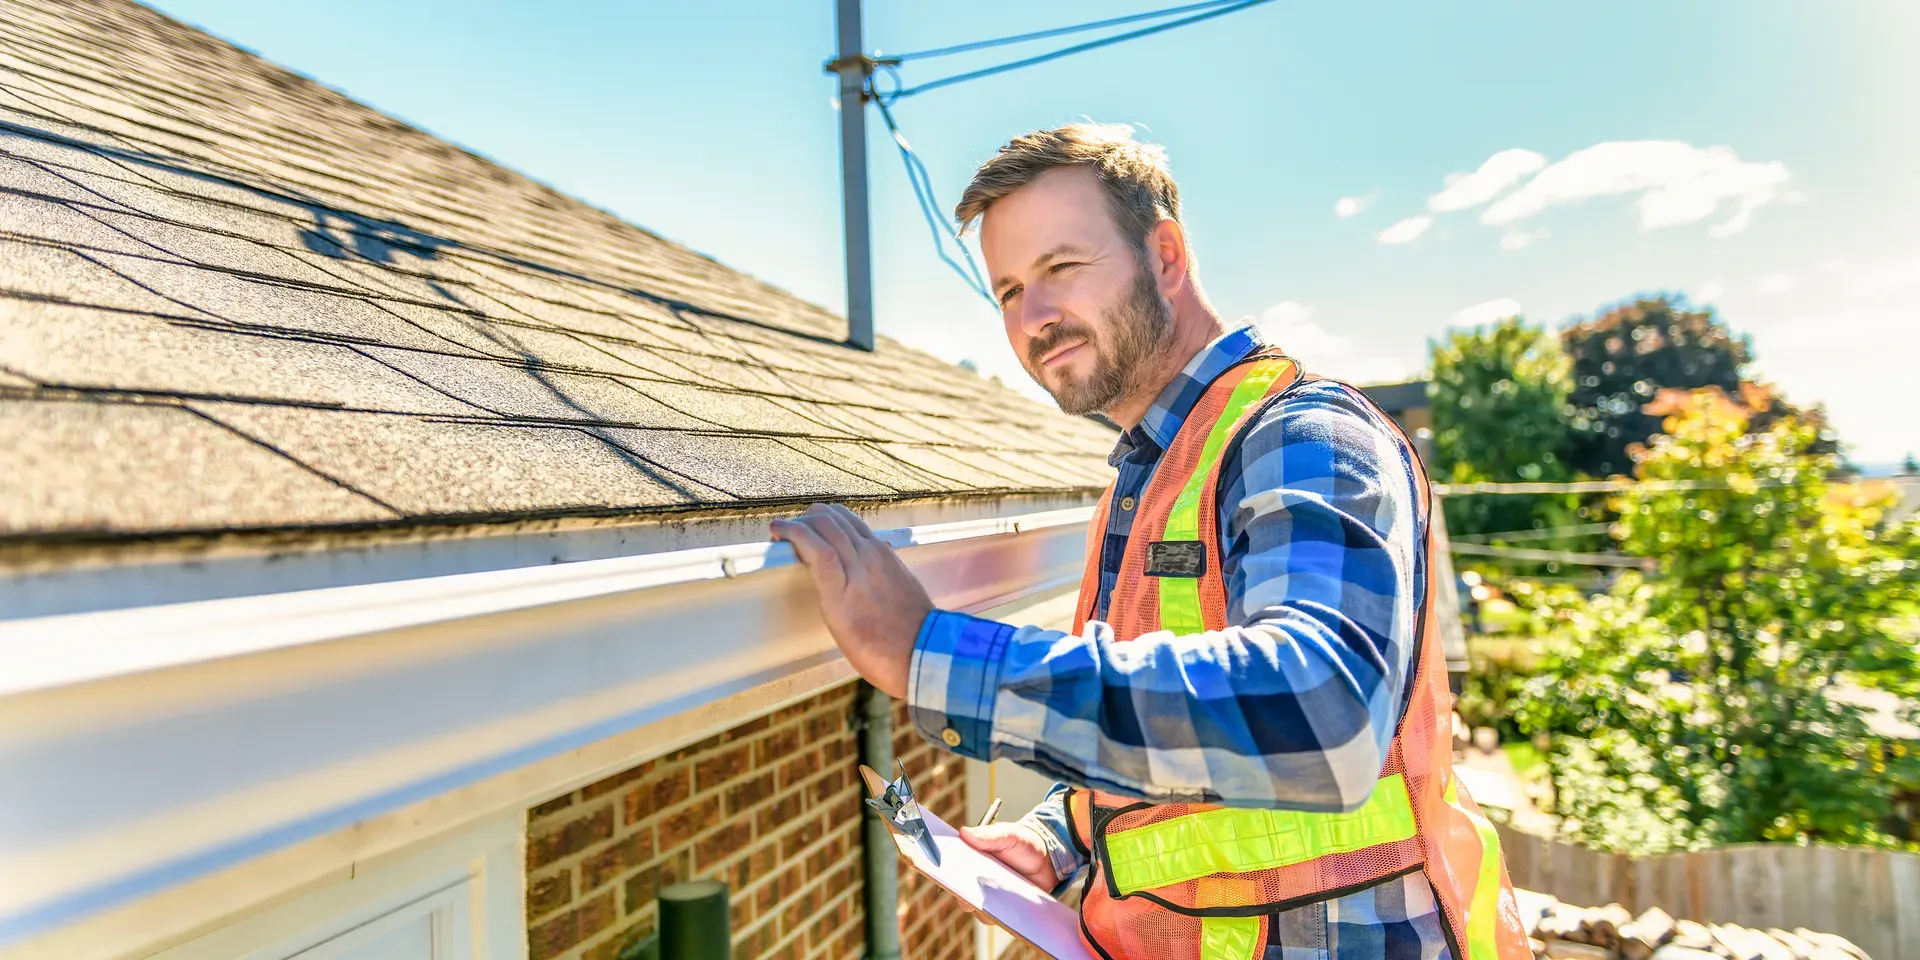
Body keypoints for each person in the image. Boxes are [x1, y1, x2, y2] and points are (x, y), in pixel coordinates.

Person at [771, 124, 1527, 960]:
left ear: (1165, 255)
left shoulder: (1299, 436)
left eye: (1061, 269)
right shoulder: (1152, 478)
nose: (1035, 317)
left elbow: (1323, 715)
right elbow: (1186, 743)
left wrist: (928, 654)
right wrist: (1061, 835)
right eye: (1009, 290)